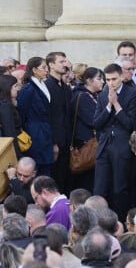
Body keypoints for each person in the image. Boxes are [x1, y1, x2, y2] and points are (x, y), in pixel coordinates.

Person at [93, 63, 136, 221]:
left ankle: (120, 223)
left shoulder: (132, 93)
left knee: (120, 188)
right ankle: (99, 222)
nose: (111, 83)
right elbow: (96, 122)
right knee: (100, 188)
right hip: (104, 145)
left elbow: (130, 124)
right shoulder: (102, 94)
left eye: (114, 79)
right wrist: (108, 105)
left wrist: (117, 105)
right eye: (107, 79)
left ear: (122, 77)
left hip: (122, 146)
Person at [17, 57, 54, 176]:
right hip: (34, 134)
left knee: (45, 169)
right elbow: (22, 113)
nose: (46, 70)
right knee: (37, 169)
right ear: (34, 70)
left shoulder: (42, 85)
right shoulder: (28, 89)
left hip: (44, 132)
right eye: (43, 68)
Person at [70, 67, 104, 193]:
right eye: (99, 79)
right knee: (86, 181)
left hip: (92, 142)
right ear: (89, 81)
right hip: (85, 143)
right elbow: (93, 120)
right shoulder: (82, 96)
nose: (103, 82)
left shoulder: (95, 95)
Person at [45, 52, 73, 192]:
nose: (65, 65)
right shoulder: (47, 86)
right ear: (51, 64)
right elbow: (48, 116)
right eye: (61, 62)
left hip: (66, 141)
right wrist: (54, 142)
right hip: (55, 142)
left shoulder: (65, 87)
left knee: (64, 178)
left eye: (65, 62)